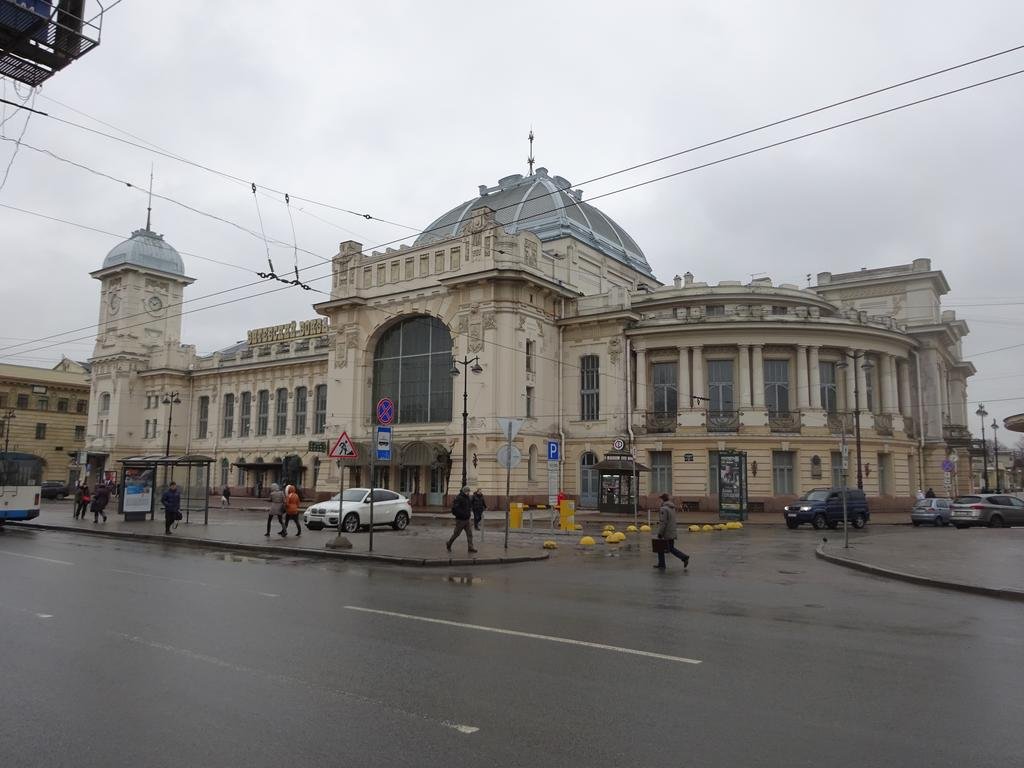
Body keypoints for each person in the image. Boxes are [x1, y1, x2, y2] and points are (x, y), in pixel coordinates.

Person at [653, 493, 689, 570]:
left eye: (660, 500)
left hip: (666, 532)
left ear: (662, 500)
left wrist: (660, 533)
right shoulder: (672, 508)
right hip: (672, 531)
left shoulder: (663, 509)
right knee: (670, 548)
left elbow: (663, 522)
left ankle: (662, 564)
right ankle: (683, 557)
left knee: (660, 547)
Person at [446, 485, 477, 554]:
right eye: (467, 491)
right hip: (460, 520)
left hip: (467, 520)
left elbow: (469, 506)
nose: (469, 493)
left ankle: (470, 547)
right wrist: (462, 514)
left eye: (469, 491)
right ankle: (449, 543)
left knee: (469, 534)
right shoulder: (458, 498)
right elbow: (455, 509)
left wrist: (469, 513)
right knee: (456, 534)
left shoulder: (468, 498)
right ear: (464, 491)